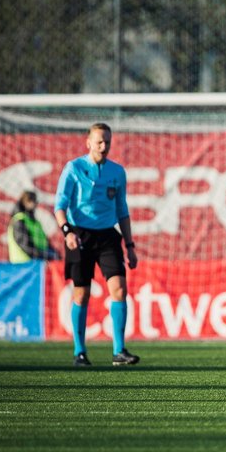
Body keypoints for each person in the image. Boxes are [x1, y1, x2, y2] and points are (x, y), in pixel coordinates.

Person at [54, 123, 139, 367]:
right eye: (99, 142)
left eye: (108, 142)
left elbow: (122, 210)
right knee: (81, 293)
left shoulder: (117, 172)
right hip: (79, 234)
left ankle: (119, 351)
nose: (104, 146)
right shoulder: (74, 168)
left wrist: (130, 245)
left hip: (108, 237)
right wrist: (67, 231)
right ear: (88, 142)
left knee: (120, 290)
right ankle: (80, 352)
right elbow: (59, 205)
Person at [8, 190, 61, 263]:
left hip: (37, 262)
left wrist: (52, 253)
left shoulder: (34, 222)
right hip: (23, 264)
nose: (36, 204)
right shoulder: (19, 221)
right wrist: (45, 256)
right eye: (33, 201)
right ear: (26, 202)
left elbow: (44, 242)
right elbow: (25, 246)